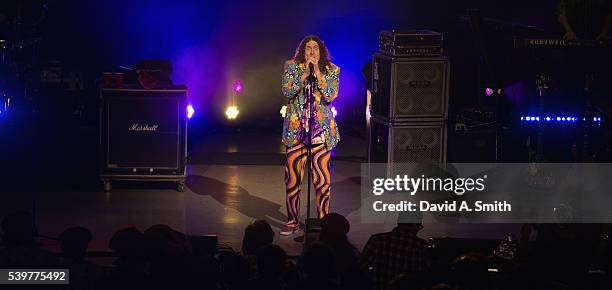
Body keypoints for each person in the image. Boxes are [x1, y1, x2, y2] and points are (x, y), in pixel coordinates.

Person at [280, 35, 340, 235]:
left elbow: (331, 95)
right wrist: (304, 74)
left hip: (320, 136)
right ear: (302, 52)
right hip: (297, 134)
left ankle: (324, 223)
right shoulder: (292, 67)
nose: (312, 52)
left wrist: (318, 74)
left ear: (321, 51)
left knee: (322, 182)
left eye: (315, 48)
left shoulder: (332, 70)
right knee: (293, 180)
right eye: (308, 48)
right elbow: (287, 92)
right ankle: (292, 220)